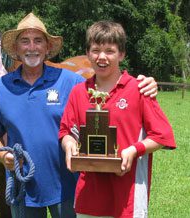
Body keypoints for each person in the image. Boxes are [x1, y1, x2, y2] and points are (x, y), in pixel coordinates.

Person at [0, 13, 158, 218]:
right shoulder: (0, 88)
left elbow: (107, 90)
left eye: (38, 41)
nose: (32, 47)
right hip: (23, 188)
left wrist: (144, 83)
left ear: (48, 47)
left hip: (67, 186)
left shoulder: (70, 82)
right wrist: (2, 155)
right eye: (25, 41)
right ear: (16, 48)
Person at [59, 20, 176, 218]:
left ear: (121, 54)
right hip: (89, 198)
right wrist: (68, 143)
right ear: (87, 53)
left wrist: (133, 150)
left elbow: (162, 135)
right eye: (95, 50)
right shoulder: (78, 92)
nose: (102, 57)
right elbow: (66, 131)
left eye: (110, 51)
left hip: (128, 198)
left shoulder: (139, 89)